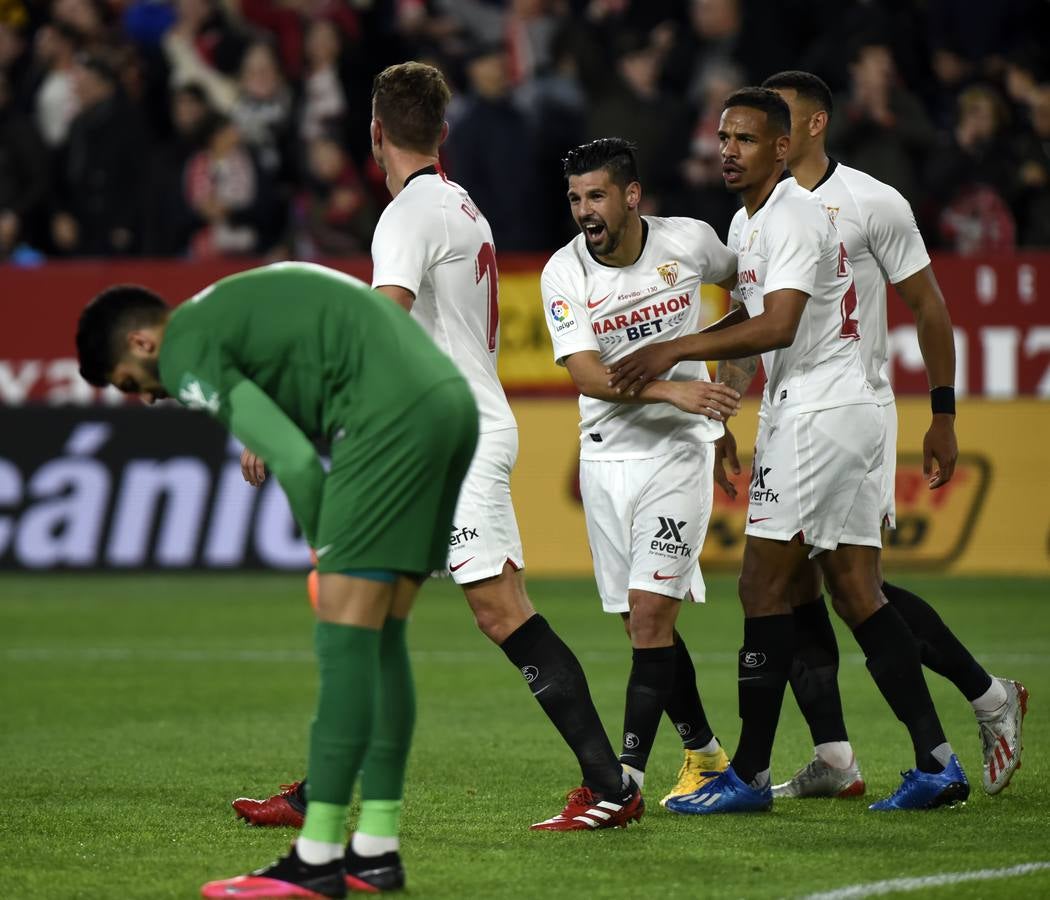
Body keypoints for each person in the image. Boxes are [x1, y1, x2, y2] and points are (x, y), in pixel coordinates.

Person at [234, 61, 643, 836]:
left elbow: (381, 330)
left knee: (500, 610)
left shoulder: (409, 215)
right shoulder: (461, 206)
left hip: (449, 440)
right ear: (443, 131)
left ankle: (609, 786)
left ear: (375, 133)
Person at [608, 88, 969, 813]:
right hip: (819, 409)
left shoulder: (797, 217)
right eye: (722, 137)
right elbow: (751, 315)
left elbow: (777, 323)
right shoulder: (753, 222)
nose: (728, 150)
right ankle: (934, 761)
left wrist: (672, 347)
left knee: (761, 588)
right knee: (853, 591)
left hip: (821, 413)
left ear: (783, 147)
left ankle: (745, 775)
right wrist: (721, 407)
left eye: (744, 138)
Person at [74, 262, 478, 898]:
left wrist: (325, 551)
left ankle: (317, 859)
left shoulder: (185, 346)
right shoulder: (227, 311)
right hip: (451, 407)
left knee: (344, 643)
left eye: (136, 383)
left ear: (143, 342)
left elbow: (293, 460)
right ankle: (375, 849)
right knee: (383, 640)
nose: (152, 396)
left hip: (388, 422)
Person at [752, 70, 1028, 799]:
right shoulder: (758, 213)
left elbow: (929, 308)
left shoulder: (873, 203)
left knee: (835, 583)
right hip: (786, 412)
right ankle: (846, 754)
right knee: (823, 582)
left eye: (776, 118)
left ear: (813, 125)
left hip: (850, 410)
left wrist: (944, 413)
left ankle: (955, 728)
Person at [540, 137, 744, 807]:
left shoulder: (688, 242)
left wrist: (723, 387)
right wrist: (673, 387)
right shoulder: (564, 273)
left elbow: (755, 288)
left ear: (632, 196)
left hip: (679, 450)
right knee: (639, 624)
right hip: (605, 454)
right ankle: (707, 755)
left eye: (595, 195)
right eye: (575, 199)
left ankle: (623, 780)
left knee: (653, 618)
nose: (584, 211)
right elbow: (587, 375)